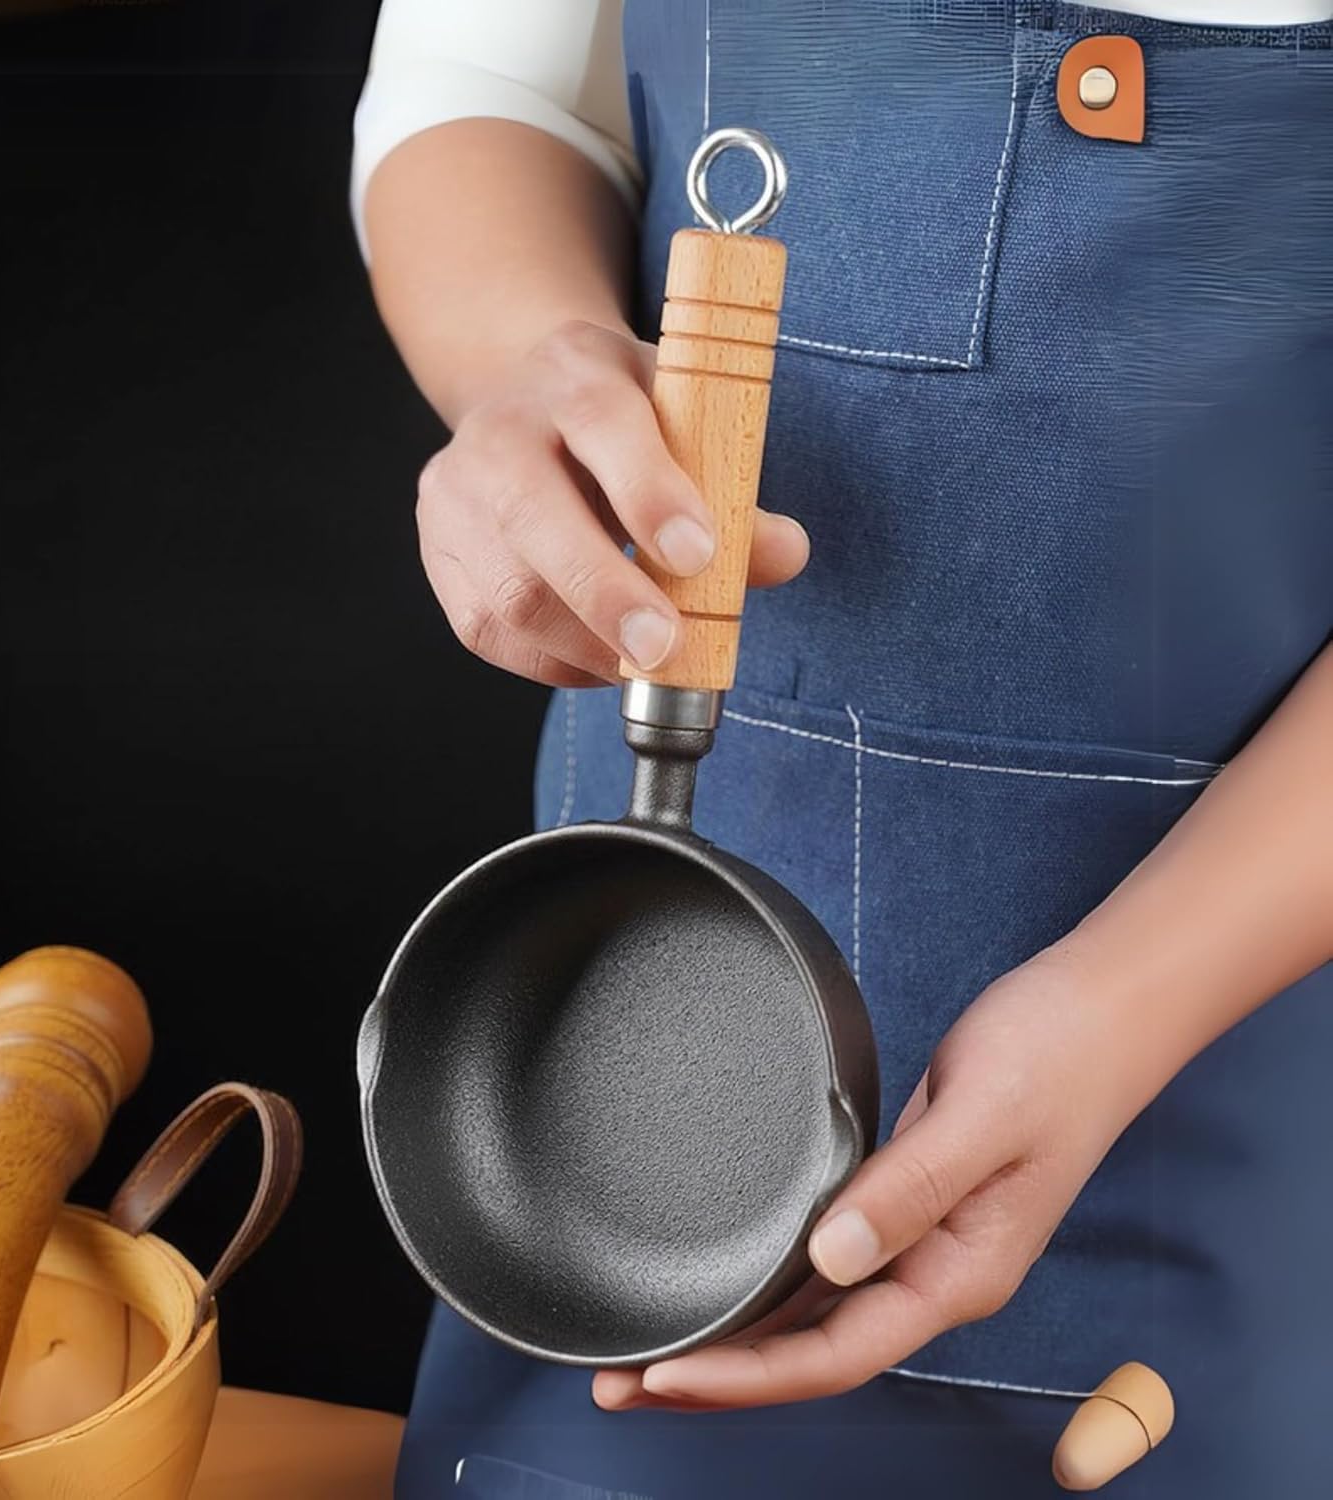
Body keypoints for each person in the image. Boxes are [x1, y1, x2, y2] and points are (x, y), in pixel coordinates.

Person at [352, 3, 1333, 1496]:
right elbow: (482, 90)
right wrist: (521, 371)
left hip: (1224, 1058)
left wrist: (1131, 1005)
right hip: (603, 1108)